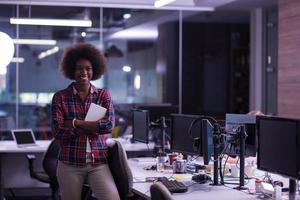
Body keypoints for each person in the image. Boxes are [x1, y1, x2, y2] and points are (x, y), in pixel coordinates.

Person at [51, 43, 120, 200]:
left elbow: (108, 125)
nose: (84, 72)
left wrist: (75, 123)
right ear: (71, 71)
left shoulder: (103, 96)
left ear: (94, 70)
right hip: (69, 163)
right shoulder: (61, 97)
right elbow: (58, 132)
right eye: (79, 68)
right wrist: (94, 126)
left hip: (98, 163)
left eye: (88, 68)